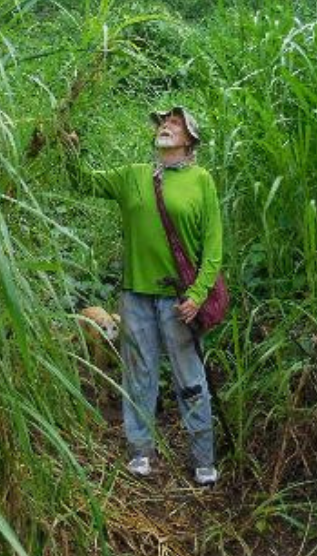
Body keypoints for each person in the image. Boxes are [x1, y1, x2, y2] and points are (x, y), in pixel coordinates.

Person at [71, 106, 223, 486]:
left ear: (190, 141)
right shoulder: (133, 177)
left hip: (180, 299)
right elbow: (83, 182)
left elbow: (213, 246)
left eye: (175, 123)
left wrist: (198, 295)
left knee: (190, 379)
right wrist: (70, 148)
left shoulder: (201, 181)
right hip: (135, 296)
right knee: (139, 376)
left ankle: (203, 458)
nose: (166, 127)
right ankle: (141, 452)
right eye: (163, 123)